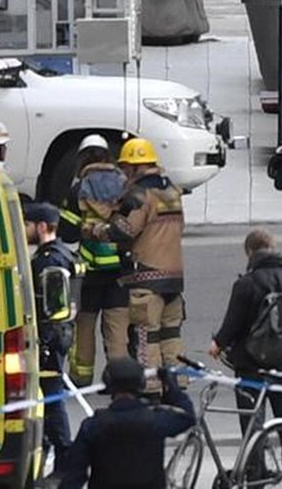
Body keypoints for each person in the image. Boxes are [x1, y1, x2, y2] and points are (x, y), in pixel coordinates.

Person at [208, 229, 282, 488]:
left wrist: (217, 344)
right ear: (273, 249)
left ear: (250, 252)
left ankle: (256, 480)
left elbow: (232, 325)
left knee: (253, 428)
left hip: (250, 367)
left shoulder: (245, 284)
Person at [89, 137, 185, 396]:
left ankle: (151, 386)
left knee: (147, 334)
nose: (124, 173)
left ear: (134, 167)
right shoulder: (172, 191)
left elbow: (126, 229)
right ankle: (177, 382)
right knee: (171, 334)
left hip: (147, 277)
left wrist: (98, 230)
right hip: (175, 277)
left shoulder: (139, 194)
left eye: (126, 167)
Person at [58, 134, 130, 387]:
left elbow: (66, 232)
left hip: (89, 272)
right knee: (117, 328)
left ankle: (81, 377)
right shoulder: (125, 185)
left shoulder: (79, 189)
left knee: (84, 326)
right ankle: (120, 379)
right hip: (121, 271)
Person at [59, 357, 195, 489]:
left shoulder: (93, 426)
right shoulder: (155, 420)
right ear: (141, 384)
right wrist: (171, 385)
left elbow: (74, 476)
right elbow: (187, 417)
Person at [26, 202, 83, 478]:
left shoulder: (50, 261)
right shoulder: (60, 254)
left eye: (28, 224)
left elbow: (51, 310)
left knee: (51, 398)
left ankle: (64, 458)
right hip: (57, 338)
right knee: (47, 397)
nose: (24, 229)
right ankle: (49, 451)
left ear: (42, 226)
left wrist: (45, 343)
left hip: (50, 339)